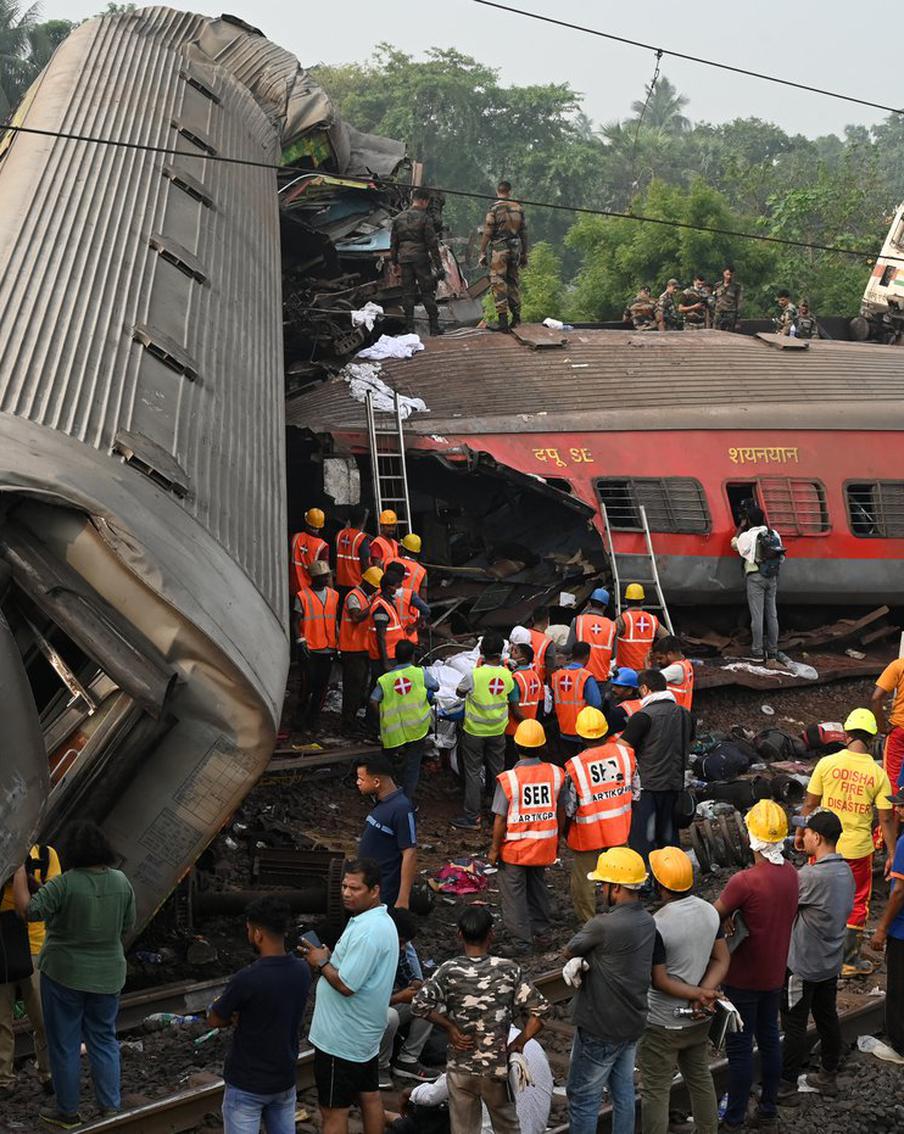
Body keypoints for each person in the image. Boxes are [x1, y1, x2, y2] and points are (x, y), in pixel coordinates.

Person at [12, 821, 136, 1130]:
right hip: (108, 976)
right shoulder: (121, 882)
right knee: (104, 1040)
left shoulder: (65, 883)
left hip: (64, 975)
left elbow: (28, 911)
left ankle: (68, 1112)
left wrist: (16, 873)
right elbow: (127, 924)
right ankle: (110, 1108)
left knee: (64, 1044)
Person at [412, 907, 549, 1133]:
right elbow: (541, 1012)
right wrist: (520, 1042)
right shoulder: (509, 970)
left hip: (460, 1069)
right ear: (491, 935)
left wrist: (450, 1028)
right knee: (507, 1126)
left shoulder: (448, 970)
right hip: (494, 1070)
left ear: (459, 935)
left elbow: (419, 1005)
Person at [713, 800, 799, 1134]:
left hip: (742, 978)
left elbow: (711, 916)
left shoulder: (744, 881)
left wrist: (731, 917)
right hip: (774, 974)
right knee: (769, 1040)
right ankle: (767, 1109)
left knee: (740, 1050)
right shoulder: (791, 874)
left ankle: (733, 1118)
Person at [302, 858, 398, 1134]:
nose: (346, 893)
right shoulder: (379, 921)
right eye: (344, 886)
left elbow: (346, 985)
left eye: (355, 888)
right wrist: (332, 958)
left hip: (341, 1039)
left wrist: (321, 962)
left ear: (374, 890)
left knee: (333, 1110)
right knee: (370, 1095)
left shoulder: (368, 931)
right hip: (363, 1034)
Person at [797, 707, 895, 975]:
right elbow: (886, 819)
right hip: (859, 851)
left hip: (823, 846)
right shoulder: (878, 775)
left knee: (817, 898)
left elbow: (809, 803)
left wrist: (800, 833)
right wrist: (892, 853)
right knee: (856, 902)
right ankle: (848, 961)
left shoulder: (827, 764)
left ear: (847, 734)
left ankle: (816, 953)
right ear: (873, 739)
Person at [564, 847, 656, 1134]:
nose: (600, 889)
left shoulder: (602, 925)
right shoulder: (647, 920)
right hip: (631, 1023)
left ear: (616, 888)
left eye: (603, 884)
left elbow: (571, 948)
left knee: (583, 1097)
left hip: (601, 1028)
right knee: (623, 1092)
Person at [639, 847, 729, 1134]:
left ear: (660, 884)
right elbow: (721, 958)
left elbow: (660, 981)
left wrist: (697, 995)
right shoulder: (709, 912)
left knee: (655, 1089)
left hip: (663, 1021)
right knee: (700, 1078)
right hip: (698, 1018)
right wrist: (705, 993)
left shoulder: (657, 925)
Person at [208, 896, 311, 1134]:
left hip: (247, 1083)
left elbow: (214, 1018)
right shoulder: (302, 970)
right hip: (284, 1079)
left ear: (258, 934)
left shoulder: (247, 978)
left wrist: (233, 1016)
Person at [778, 810, 854, 1102]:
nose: (802, 836)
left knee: (794, 1024)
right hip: (830, 961)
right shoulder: (844, 870)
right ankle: (828, 1073)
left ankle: (785, 1084)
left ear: (817, 837)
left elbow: (784, 906)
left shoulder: (810, 876)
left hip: (802, 965)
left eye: (806, 832)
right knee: (826, 1016)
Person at [389, 1024, 553, 1134]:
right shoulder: (532, 1044)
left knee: (432, 1112)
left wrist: (409, 1093)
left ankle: (396, 1121)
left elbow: (431, 1096)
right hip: (533, 1129)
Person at [489, 719, 565, 952]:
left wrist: (493, 849)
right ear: (542, 746)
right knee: (537, 887)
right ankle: (543, 934)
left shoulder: (509, 779)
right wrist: (557, 838)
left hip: (515, 848)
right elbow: (560, 810)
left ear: (517, 745)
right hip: (543, 844)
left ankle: (521, 942)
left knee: (514, 894)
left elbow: (500, 818)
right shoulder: (555, 773)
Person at [563, 707, 636, 924]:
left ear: (580, 735)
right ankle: (625, 913)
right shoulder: (625, 754)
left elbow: (570, 807)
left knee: (584, 881)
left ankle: (589, 922)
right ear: (605, 731)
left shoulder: (575, 766)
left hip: (588, 833)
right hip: (619, 827)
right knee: (622, 874)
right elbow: (636, 791)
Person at [0, 842, 60, 1098]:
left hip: (36, 946)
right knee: (1, 1019)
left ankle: (49, 1073)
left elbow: (55, 895)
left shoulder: (45, 855)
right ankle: (4, 1080)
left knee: (44, 1018)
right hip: (3, 945)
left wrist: (24, 878)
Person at [622, 670, 693, 862]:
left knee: (644, 840)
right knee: (669, 838)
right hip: (674, 786)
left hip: (647, 788)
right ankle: (672, 881)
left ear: (644, 689)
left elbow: (623, 749)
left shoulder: (643, 716)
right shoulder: (685, 714)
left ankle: (645, 884)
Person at [452, 633, 517, 831]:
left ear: (481, 652)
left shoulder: (474, 674)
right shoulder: (508, 675)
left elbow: (459, 692)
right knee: (498, 772)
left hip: (474, 731)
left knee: (473, 773)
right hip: (498, 731)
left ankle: (473, 817)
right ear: (501, 653)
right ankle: (499, 813)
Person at [370, 640, 438, 800]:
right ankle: (405, 800)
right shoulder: (420, 673)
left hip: (393, 729)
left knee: (385, 762)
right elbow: (435, 686)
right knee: (412, 765)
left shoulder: (386, 679)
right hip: (416, 726)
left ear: (395, 656)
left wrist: (382, 716)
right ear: (413, 656)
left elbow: (373, 700)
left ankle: (380, 794)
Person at [379, 908, 435, 1088]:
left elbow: (407, 976)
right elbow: (362, 1001)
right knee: (390, 1017)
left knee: (429, 1001)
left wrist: (417, 984)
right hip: (363, 1014)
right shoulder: (371, 953)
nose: (403, 948)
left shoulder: (397, 950)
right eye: (401, 942)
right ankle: (379, 1067)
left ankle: (407, 1059)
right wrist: (398, 998)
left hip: (389, 1002)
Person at [868, 788, 904, 1057]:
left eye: (902, 807)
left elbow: (900, 891)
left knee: (898, 990)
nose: (898, 811)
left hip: (902, 931)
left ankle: (900, 1045)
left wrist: (881, 928)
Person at [356, 758, 418, 909]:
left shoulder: (401, 808)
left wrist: (403, 899)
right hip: (369, 885)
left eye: (361, 779)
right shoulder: (383, 803)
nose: (357, 782)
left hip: (384, 892)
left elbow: (410, 853)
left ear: (377, 782)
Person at [730, 503, 784, 667]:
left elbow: (734, 544)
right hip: (772, 577)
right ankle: (773, 651)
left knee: (757, 616)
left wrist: (740, 528)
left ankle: (757, 652)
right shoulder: (773, 533)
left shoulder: (749, 535)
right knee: (772, 615)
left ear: (749, 521)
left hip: (755, 577)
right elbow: (781, 556)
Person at [390, 188, 444, 337]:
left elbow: (393, 244)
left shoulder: (398, 218)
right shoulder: (425, 219)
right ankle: (434, 327)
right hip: (421, 259)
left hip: (404, 260)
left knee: (408, 293)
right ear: (424, 201)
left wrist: (394, 263)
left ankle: (409, 328)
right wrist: (439, 266)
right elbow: (432, 244)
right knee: (427, 291)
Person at [293, 559, 339, 732]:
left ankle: (313, 721)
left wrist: (338, 641)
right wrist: (300, 641)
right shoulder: (302, 596)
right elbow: (296, 620)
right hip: (311, 648)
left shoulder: (334, 595)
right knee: (307, 686)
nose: (326, 579)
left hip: (328, 648)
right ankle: (299, 718)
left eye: (327, 576)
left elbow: (334, 621)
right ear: (314, 578)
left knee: (321, 687)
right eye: (323, 576)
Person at [478, 180, 528, 332]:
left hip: (499, 251)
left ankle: (503, 321)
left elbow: (488, 232)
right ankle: (517, 318)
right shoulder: (518, 208)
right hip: (515, 250)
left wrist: (482, 252)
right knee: (512, 281)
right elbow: (524, 233)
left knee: (498, 283)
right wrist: (525, 253)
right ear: (510, 191)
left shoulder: (494, 209)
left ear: (497, 191)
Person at [340, 566, 381, 734]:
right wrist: (373, 605)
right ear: (367, 583)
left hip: (362, 649)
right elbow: (356, 617)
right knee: (353, 688)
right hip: (352, 650)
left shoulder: (365, 597)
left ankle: (353, 720)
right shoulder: (354, 597)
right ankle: (347, 724)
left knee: (360, 687)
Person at [551, 641, 602, 757]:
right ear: (587, 656)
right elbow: (596, 704)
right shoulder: (586, 676)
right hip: (583, 732)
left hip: (563, 729)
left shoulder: (557, 675)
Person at [565, 588, 616, 685]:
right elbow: (613, 655)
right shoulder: (612, 626)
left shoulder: (578, 621)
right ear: (605, 607)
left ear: (589, 603)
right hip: (601, 677)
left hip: (580, 676)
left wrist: (555, 646)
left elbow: (569, 648)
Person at [504, 641, 543, 766]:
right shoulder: (535, 676)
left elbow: (515, 711)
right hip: (529, 728)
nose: (511, 654)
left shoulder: (516, 678)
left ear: (523, 659)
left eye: (515, 652)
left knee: (512, 763)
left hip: (514, 729)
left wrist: (528, 723)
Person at [870, 654, 904, 794]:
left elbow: (876, 698)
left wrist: (882, 727)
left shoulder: (898, 665)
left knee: (893, 781)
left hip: (899, 731)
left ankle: (895, 814)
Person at [614, 584, 665, 672]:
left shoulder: (622, 619)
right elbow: (666, 638)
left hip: (625, 671)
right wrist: (654, 653)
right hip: (645, 670)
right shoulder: (652, 619)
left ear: (626, 600)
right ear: (642, 601)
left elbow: (609, 637)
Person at [368, 564, 407, 677]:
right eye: (397, 586)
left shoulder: (388, 602)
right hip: (385, 658)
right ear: (390, 588)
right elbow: (380, 636)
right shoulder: (381, 608)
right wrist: (385, 662)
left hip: (392, 655)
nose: (399, 589)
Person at [649, 634, 694, 711]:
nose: (658, 661)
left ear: (670, 654)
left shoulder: (676, 669)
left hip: (674, 715)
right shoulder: (686, 663)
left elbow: (649, 680)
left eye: (660, 658)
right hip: (682, 713)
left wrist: (646, 664)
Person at [291, 507, 330, 592]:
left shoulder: (295, 537)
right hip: (309, 593)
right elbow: (324, 574)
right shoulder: (322, 546)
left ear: (306, 521)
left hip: (291, 588)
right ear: (320, 526)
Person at [335, 506, 372, 594]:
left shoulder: (339, 534)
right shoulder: (361, 538)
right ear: (363, 521)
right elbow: (365, 564)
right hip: (356, 584)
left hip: (339, 582)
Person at [604, 667, 643, 736]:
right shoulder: (644, 703)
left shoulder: (619, 711)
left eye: (618, 687)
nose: (613, 689)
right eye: (613, 686)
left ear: (630, 690)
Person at [387, 533, 427, 598]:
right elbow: (423, 597)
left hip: (390, 605)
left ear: (402, 549)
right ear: (417, 553)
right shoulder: (421, 571)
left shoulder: (389, 562)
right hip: (410, 606)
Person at [526, 607, 556, 685]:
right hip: (537, 684)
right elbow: (550, 670)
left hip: (521, 681)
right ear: (548, 620)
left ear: (532, 619)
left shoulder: (523, 634)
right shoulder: (548, 642)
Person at [712, 265, 742, 331]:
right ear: (723, 273)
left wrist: (738, 319)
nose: (729, 277)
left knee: (729, 334)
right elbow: (713, 298)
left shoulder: (736, 286)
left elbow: (739, 302)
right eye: (727, 274)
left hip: (730, 314)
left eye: (731, 275)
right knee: (716, 333)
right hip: (719, 313)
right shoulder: (717, 285)